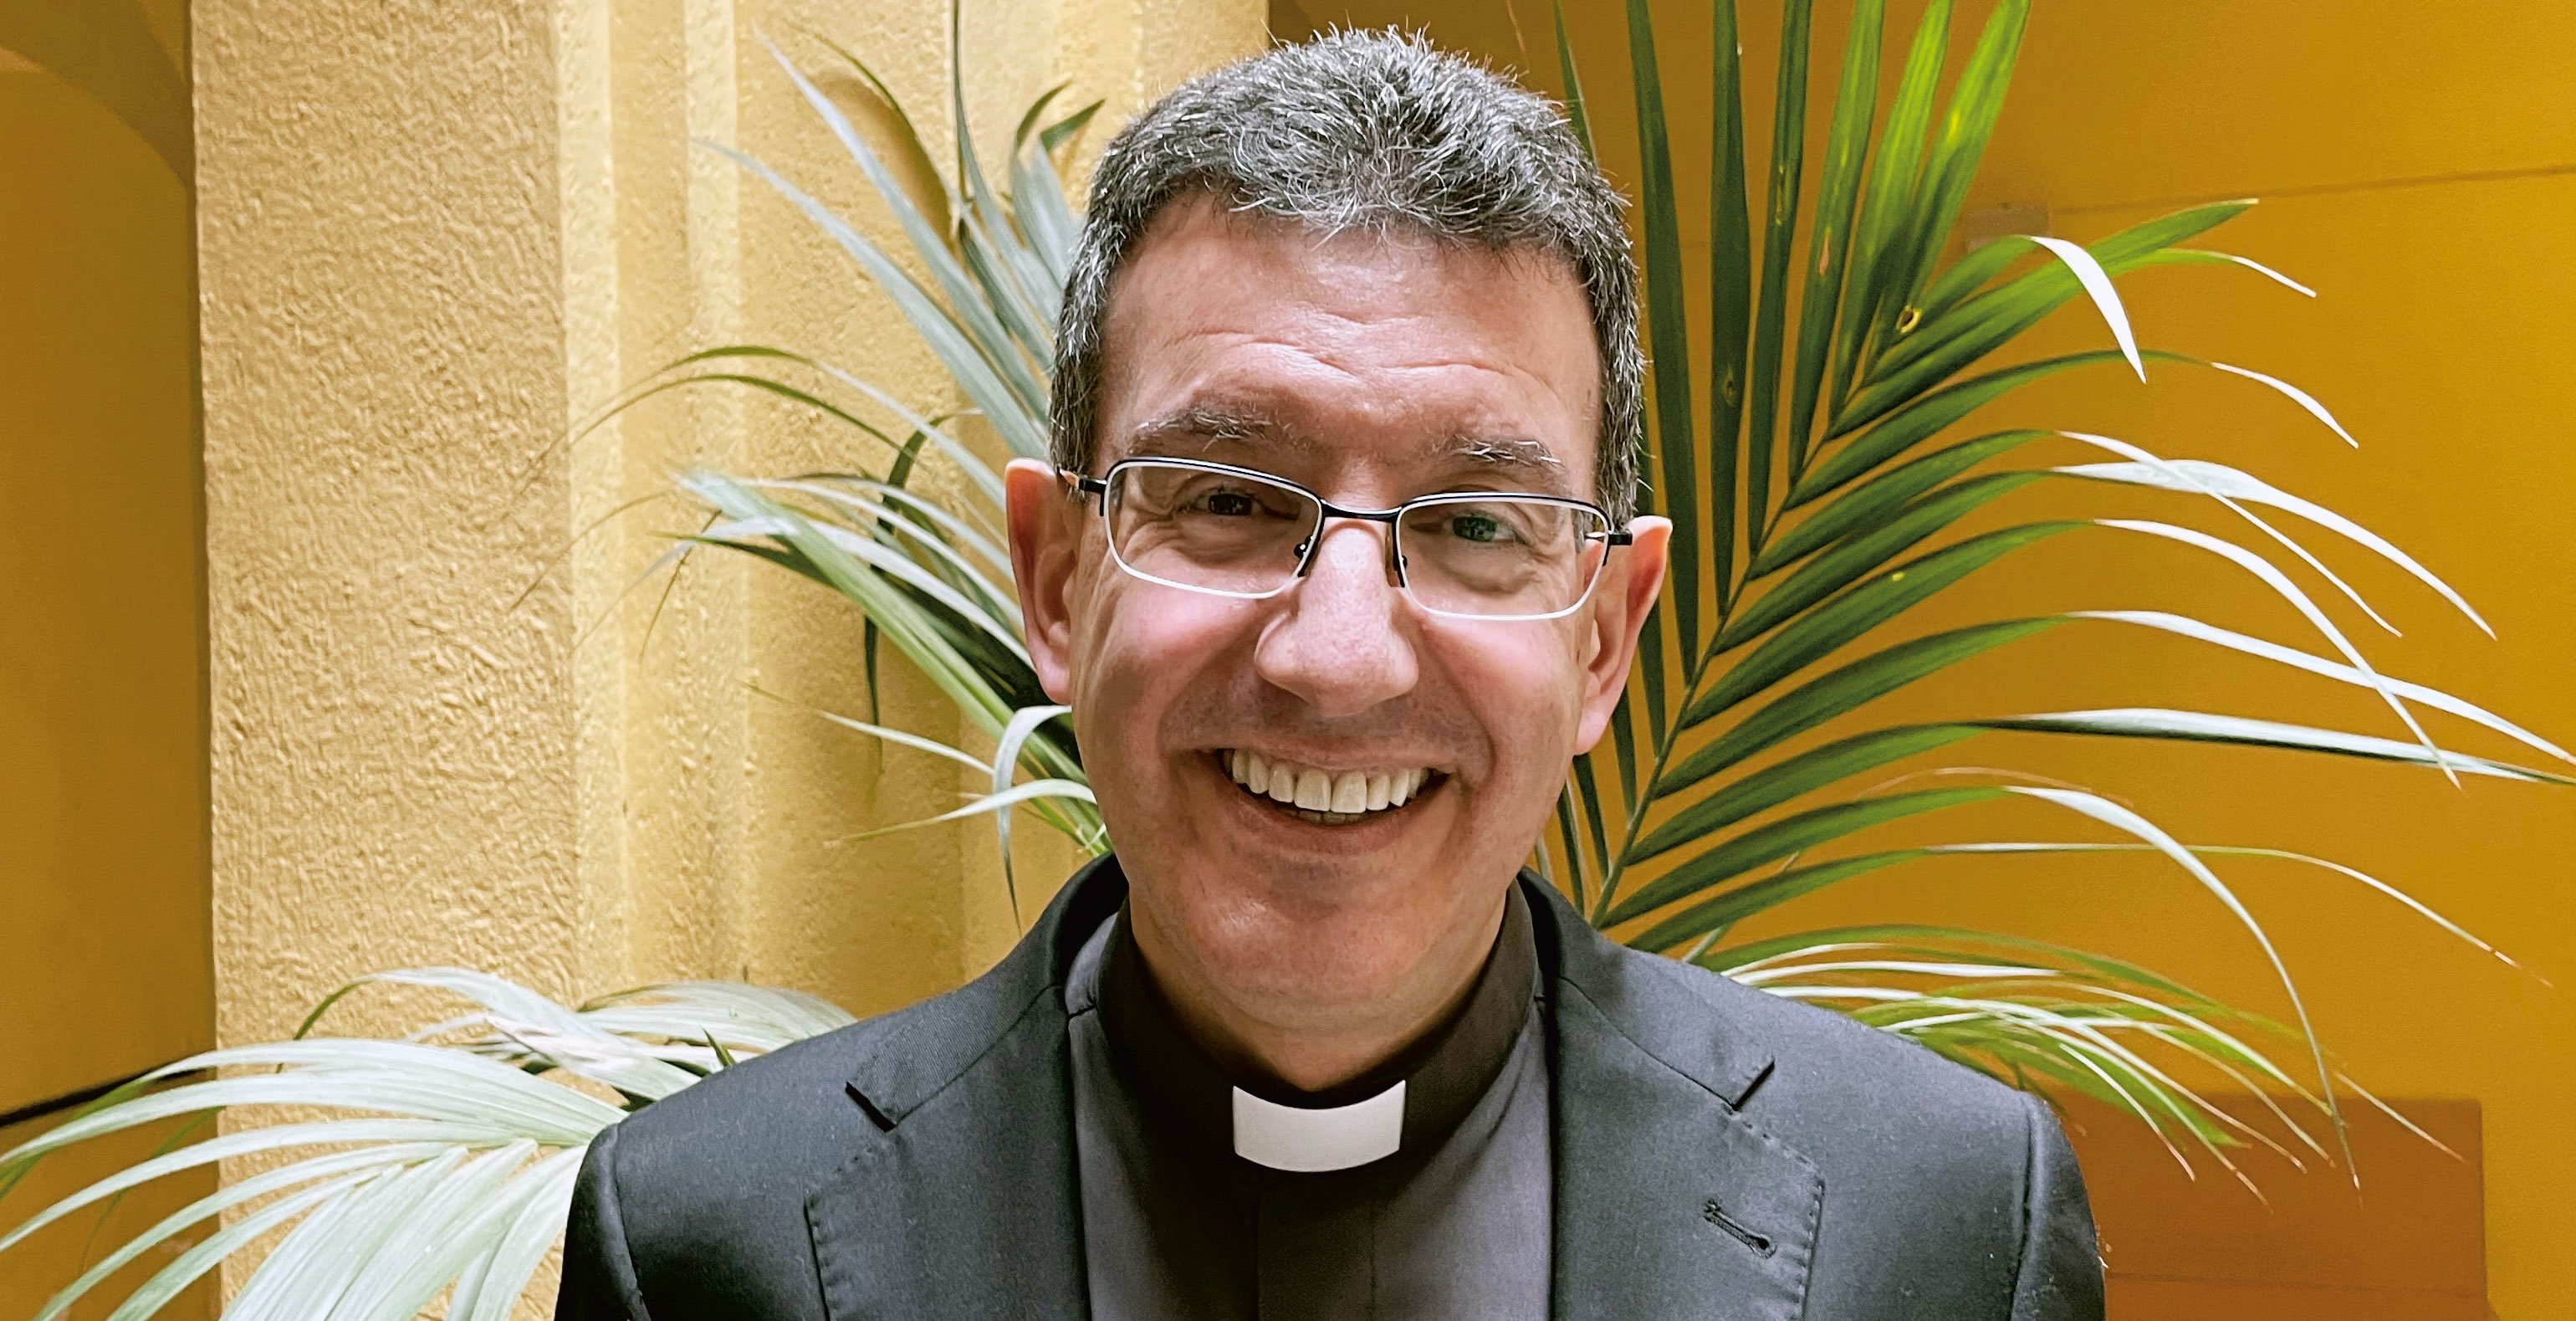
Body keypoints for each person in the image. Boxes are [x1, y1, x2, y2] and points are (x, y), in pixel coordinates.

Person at [556, 28, 2103, 1321]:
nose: (1339, 658)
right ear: (1057, 580)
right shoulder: (705, 1244)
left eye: (1478, 522)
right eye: (1230, 500)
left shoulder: (1947, 1228)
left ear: (1605, 637)